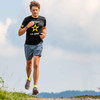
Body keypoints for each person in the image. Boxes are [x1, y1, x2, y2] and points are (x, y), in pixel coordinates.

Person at [18, 1, 47, 95]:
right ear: (30, 10)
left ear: (39, 10)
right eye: (33, 10)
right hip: (28, 45)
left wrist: (44, 34)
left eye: (36, 10)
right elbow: (19, 33)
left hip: (38, 44)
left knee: (36, 64)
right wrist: (27, 26)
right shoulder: (26, 19)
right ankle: (28, 78)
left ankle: (35, 86)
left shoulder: (43, 19)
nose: (35, 11)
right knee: (29, 65)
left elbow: (45, 28)